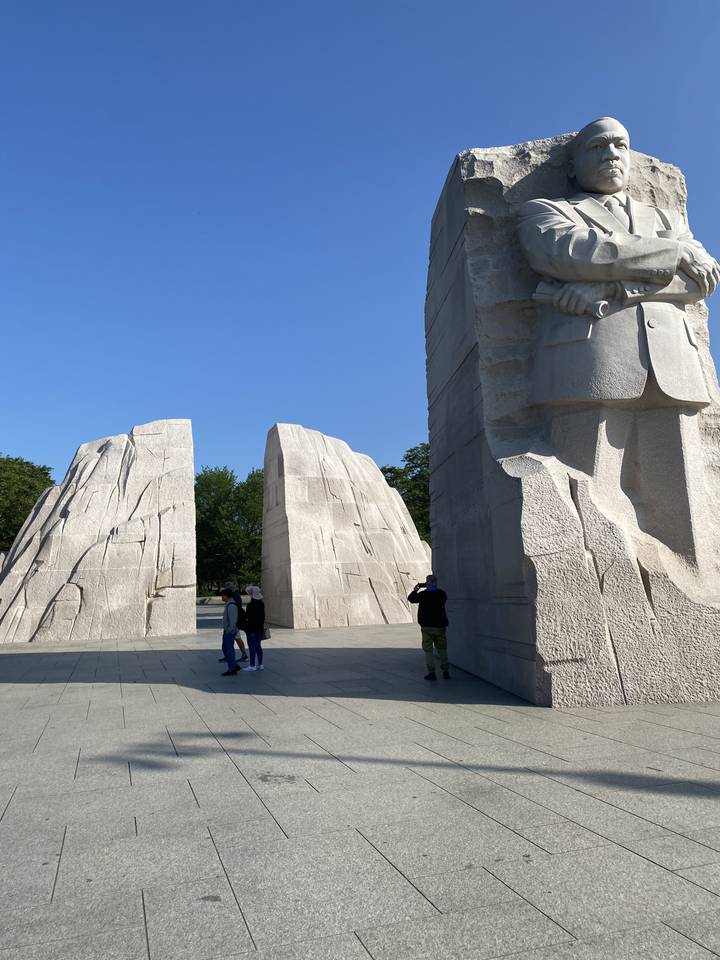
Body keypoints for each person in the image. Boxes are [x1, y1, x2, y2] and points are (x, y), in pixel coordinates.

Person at [516, 116, 719, 567]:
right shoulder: (546, 210)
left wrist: (609, 289)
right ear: (572, 165)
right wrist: (672, 253)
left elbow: (700, 283)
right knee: (590, 500)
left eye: (620, 146)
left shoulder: (665, 217)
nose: (612, 154)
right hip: (589, 365)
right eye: (598, 146)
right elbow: (570, 253)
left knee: (687, 513)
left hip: (674, 366)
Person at [408, 575, 449, 681]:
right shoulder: (441, 594)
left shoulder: (423, 595)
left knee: (428, 651)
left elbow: (411, 599)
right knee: (442, 649)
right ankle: (445, 671)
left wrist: (415, 590)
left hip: (427, 627)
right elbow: (444, 600)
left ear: (427, 583)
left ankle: (432, 673)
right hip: (440, 626)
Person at [242, 585, 266, 672]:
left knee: (251, 646)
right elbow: (263, 617)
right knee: (258, 646)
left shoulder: (250, 605)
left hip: (251, 628)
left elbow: (247, 616)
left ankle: (252, 665)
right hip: (259, 628)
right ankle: (260, 664)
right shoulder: (261, 604)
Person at [219, 588, 241, 675]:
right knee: (226, 648)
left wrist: (229, 630)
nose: (221, 597)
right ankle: (234, 665)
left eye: (222, 595)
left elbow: (233, 620)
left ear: (226, 596)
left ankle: (232, 668)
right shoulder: (229, 604)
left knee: (229, 650)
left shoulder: (231, 605)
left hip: (229, 632)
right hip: (227, 631)